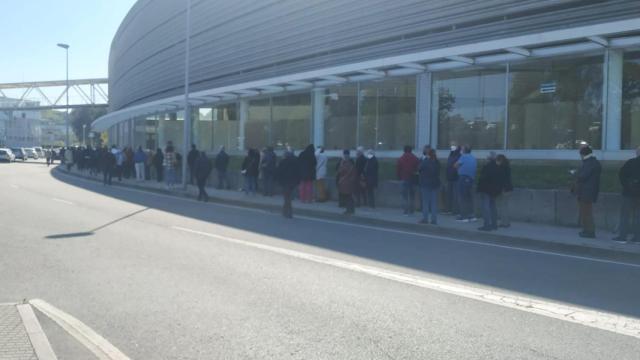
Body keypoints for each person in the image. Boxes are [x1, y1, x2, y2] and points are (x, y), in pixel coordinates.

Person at [574, 145, 601, 238]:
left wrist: (575, 174)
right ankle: (587, 230)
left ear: (583, 154)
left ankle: (589, 231)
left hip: (586, 191)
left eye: (580, 154)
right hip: (589, 191)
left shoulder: (589, 163)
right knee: (586, 212)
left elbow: (583, 176)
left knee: (586, 212)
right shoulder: (594, 162)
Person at [613, 148, 640, 243]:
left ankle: (623, 236)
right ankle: (637, 237)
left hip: (628, 193)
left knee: (625, 215)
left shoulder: (630, 162)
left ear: (637, 153)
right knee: (638, 216)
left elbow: (621, 174)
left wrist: (627, 185)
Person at [477, 152, 502, 231]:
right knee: (493, 207)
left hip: (486, 189)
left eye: (487, 158)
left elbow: (482, 179)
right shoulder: (498, 167)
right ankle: (494, 224)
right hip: (494, 190)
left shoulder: (487, 167)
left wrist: (479, 189)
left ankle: (487, 225)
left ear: (489, 159)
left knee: (486, 207)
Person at [455, 146, 478, 222]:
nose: (461, 151)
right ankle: (471, 215)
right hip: (471, 179)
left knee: (462, 197)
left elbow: (455, 165)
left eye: (462, 149)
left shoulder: (463, 156)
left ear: (464, 151)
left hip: (463, 178)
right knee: (469, 198)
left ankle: (463, 216)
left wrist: (459, 168)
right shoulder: (473, 158)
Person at [418, 148, 441, 225]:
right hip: (434, 184)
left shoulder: (426, 162)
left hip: (425, 184)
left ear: (428, 154)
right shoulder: (437, 162)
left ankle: (425, 219)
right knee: (434, 203)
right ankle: (434, 220)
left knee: (426, 202)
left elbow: (419, 168)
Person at [276, 149, 300, 218]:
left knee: (287, 197)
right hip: (293, 182)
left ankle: (288, 212)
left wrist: (279, 181)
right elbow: (299, 171)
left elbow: (279, 172)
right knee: (288, 197)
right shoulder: (296, 161)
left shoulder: (283, 161)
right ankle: (285, 211)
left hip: (285, 182)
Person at [396, 145, 420, 215]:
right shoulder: (415, 158)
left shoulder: (401, 158)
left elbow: (398, 169)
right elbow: (418, 168)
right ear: (411, 150)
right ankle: (412, 209)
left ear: (404, 150)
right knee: (412, 195)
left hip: (404, 178)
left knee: (404, 195)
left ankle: (406, 210)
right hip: (413, 178)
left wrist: (398, 177)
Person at [496, 154, 513, 228]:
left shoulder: (501, 168)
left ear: (500, 160)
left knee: (502, 207)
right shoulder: (507, 167)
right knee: (505, 206)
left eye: (497, 160)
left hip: (504, 189)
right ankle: (507, 222)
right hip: (509, 188)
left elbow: (501, 180)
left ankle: (504, 223)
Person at [337, 150, 356, 215]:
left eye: (345, 154)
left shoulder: (345, 162)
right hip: (348, 182)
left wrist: (341, 165)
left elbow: (341, 171)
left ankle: (349, 210)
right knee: (349, 197)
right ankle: (351, 210)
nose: (345, 155)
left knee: (348, 197)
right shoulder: (351, 162)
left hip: (346, 182)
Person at [445, 144, 461, 215]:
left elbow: (457, 166)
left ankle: (455, 210)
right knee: (450, 195)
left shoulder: (458, 156)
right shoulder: (451, 155)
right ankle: (449, 210)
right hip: (450, 177)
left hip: (455, 177)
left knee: (455, 195)